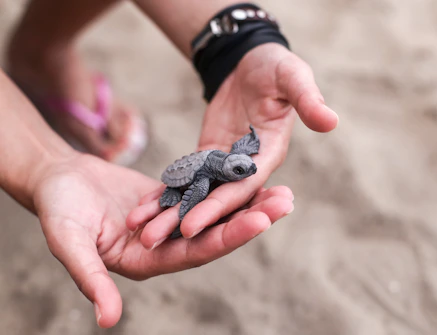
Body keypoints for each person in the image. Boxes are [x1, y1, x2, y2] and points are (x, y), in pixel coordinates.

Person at [0, 0, 338, 329]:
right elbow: (194, 193)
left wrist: (238, 43)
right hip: (181, 175)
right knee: (180, 203)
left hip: (204, 161)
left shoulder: (237, 155)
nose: (248, 170)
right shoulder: (204, 180)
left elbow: (244, 155)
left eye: (243, 166)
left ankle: (40, 52)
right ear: (224, 172)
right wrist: (40, 164)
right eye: (241, 170)